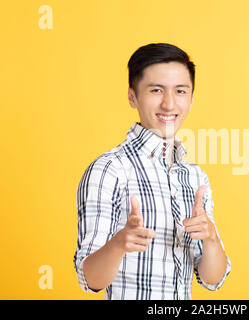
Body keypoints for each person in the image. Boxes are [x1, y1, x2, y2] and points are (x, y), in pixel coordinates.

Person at [73, 43, 231, 300]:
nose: (169, 104)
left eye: (180, 91)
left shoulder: (195, 177)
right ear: (132, 96)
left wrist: (211, 239)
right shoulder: (109, 170)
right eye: (156, 90)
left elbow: (212, 279)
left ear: (191, 100)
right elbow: (90, 279)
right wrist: (119, 243)